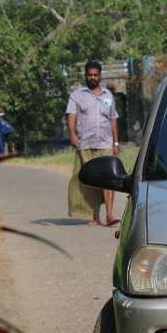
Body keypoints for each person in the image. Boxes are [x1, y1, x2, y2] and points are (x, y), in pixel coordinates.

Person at [66, 60, 121, 226]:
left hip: (105, 143)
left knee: (108, 178)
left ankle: (110, 215)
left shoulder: (108, 96)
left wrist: (116, 143)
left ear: (100, 76)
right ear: (85, 75)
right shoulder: (77, 95)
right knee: (92, 181)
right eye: (89, 75)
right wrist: (72, 134)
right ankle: (94, 216)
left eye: (95, 75)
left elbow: (113, 119)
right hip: (86, 144)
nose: (92, 78)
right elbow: (71, 117)